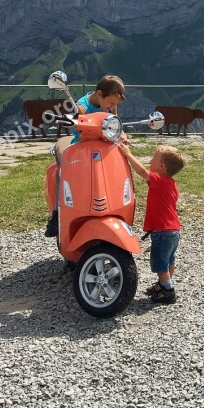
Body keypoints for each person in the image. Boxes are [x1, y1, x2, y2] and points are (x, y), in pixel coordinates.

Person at [45, 74, 127, 237]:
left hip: (103, 143)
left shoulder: (109, 104)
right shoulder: (81, 108)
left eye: (115, 105)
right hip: (83, 145)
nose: (112, 107)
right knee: (65, 171)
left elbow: (115, 121)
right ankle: (57, 212)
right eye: (111, 103)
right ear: (99, 94)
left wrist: (122, 134)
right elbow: (78, 129)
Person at [119, 144, 185, 304]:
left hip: (163, 231)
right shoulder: (170, 183)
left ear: (162, 166)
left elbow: (142, 172)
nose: (150, 160)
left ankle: (168, 291)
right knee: (169, 259)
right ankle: (162, 284)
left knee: (159, 262)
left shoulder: (159, 180)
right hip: (174, 230)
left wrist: (128, 154)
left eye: (153, 158)